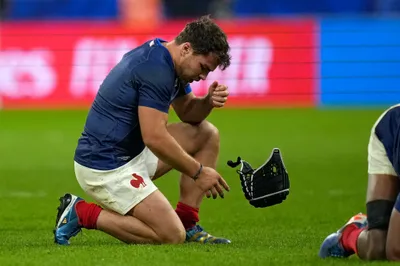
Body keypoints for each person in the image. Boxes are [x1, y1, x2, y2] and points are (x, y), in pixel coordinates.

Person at [53, 15, 232, 246]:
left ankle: (188, 223)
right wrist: (198, 172)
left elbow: (188, 113)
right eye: (203, 68)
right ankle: (81, 213)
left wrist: (206, 102)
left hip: (133, 154)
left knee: (206, 134)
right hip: (105, 167)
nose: (203, 76)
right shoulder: (155, 70)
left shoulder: (167, 57)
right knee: (170, 236)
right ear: (187, 49)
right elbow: (155, 137)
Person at [319, 104, 400, 261]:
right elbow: (395, 250)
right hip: (390, 134)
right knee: (378, 247)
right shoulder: (391, 126)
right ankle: (349, 235)